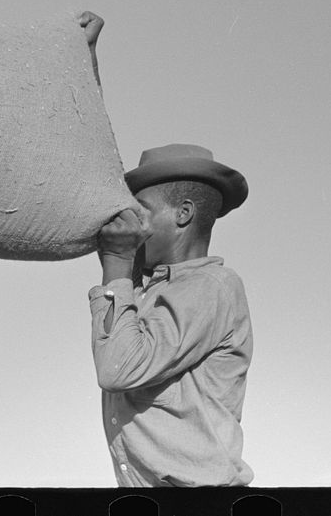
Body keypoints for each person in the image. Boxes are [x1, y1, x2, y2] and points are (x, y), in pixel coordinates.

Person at [89, 143, 253, 487]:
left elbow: (118, 369)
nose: (133, 224)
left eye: (141, 211)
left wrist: (118, 263)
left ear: (183, 213)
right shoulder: (146, 291)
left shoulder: (212, 285)